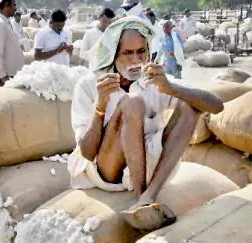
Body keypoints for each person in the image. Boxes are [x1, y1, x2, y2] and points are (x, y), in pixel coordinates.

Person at [69, 17, 223, 231]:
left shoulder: (153, 80)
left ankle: (149, 196)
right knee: (133, 103)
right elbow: (87, 152)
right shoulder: (90, 85)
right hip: (106, 170)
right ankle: (140, 197)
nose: (136, 60)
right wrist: (100, 108)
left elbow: (216, 106)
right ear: (113, 54)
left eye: (141, 51)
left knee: (190, 105)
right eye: (127, 53)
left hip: (148, 164)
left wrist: (171, 89)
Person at [0, 0, 25, 87]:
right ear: (6, 5)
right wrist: (1, 77)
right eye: (14, 5)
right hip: (6, 77)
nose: (16, 8)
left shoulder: (5, 22)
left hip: (13, 74)